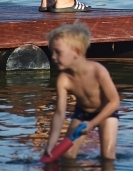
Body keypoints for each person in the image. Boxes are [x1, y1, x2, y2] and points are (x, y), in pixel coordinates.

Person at [44, 22, 120, 162]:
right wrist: (51, 143)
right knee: (68, 156)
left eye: (58, 52)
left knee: (107, 156)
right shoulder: (63, 79)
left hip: (106, 112)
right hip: (83, 113)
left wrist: (92, 124)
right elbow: (60, 113)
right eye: (52, 52)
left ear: (77, 52)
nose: (53, 57)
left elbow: (114, 102)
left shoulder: (98, 71)